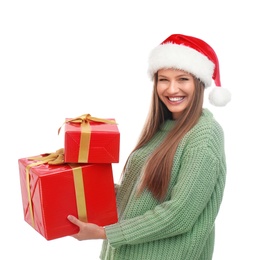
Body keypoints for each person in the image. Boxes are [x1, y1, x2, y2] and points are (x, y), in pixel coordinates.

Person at [67, 34, 231, 260]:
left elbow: (179, 215)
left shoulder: (204, 134)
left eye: (182, 79)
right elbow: (137, 197)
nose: (171, 89)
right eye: (163, 79)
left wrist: (105, 232)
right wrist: (79, 183)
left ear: (199, 83)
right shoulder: (161, 129)